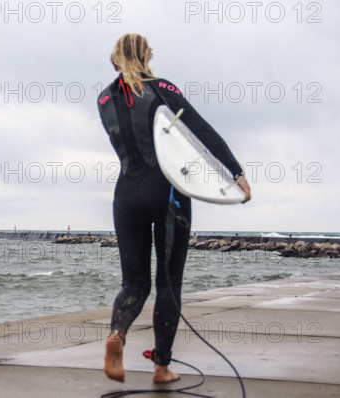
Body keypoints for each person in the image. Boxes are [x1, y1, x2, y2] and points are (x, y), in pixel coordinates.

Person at [97, 33, 251, 384]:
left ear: (114, 61)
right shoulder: (161, 87)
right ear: (148, 56)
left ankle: (117, 336)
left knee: (134, 284)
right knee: (169, 283)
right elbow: (201, 130)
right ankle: (162, 367)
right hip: (166, 192)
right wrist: (235, 172)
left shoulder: (103, 98)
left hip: (125, 194)